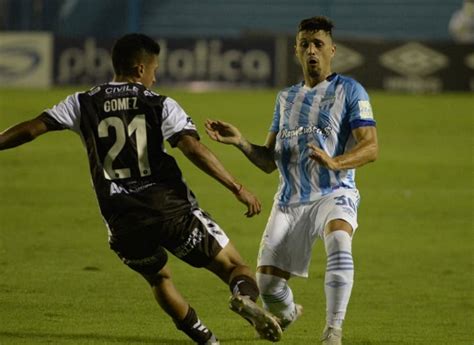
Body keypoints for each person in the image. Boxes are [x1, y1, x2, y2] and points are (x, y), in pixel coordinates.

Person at [0, 33, 282, 344]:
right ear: (139, 69)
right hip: (170, 211)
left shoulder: (82, 101)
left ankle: (206, 339)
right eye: (154, 69)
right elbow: (192, 148)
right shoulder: (159, 103)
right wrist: (236, 186)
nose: (155, 76)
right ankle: (245, 299)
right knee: (235, 267)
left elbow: (30, 130)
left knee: (159, 279)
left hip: (123, 222)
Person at [205, 16, 378, 345]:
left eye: (318, 44)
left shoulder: (351, 90)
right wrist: (241, 142)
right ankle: (285, 314)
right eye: (305, 45)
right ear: (296, 51)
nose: (312, 50)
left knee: (340, 242)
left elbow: (371, 147)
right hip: (289, 201)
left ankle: (333, 331)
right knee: (268, 285)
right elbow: (270, 161)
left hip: (334, 192)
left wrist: (335, 161)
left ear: (332, 50)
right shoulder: (285, 99)